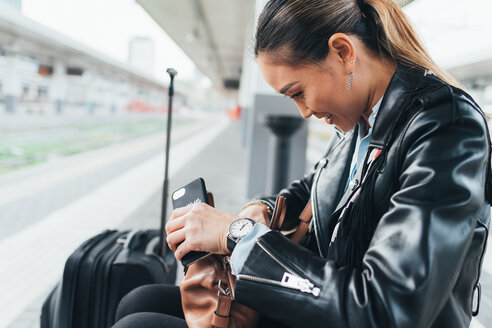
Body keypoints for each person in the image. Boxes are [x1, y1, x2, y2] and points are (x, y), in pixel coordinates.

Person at [113, 0, 491, 327]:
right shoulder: (361, 121)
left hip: (357, 312)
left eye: (298, 92)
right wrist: (260, 211)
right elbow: (316, 188)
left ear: (343, 52)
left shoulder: (446, 125)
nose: (305, 112)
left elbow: (388, 307)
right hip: (328, 303)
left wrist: (238, 234)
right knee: (139, 302)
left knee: (140, 321)